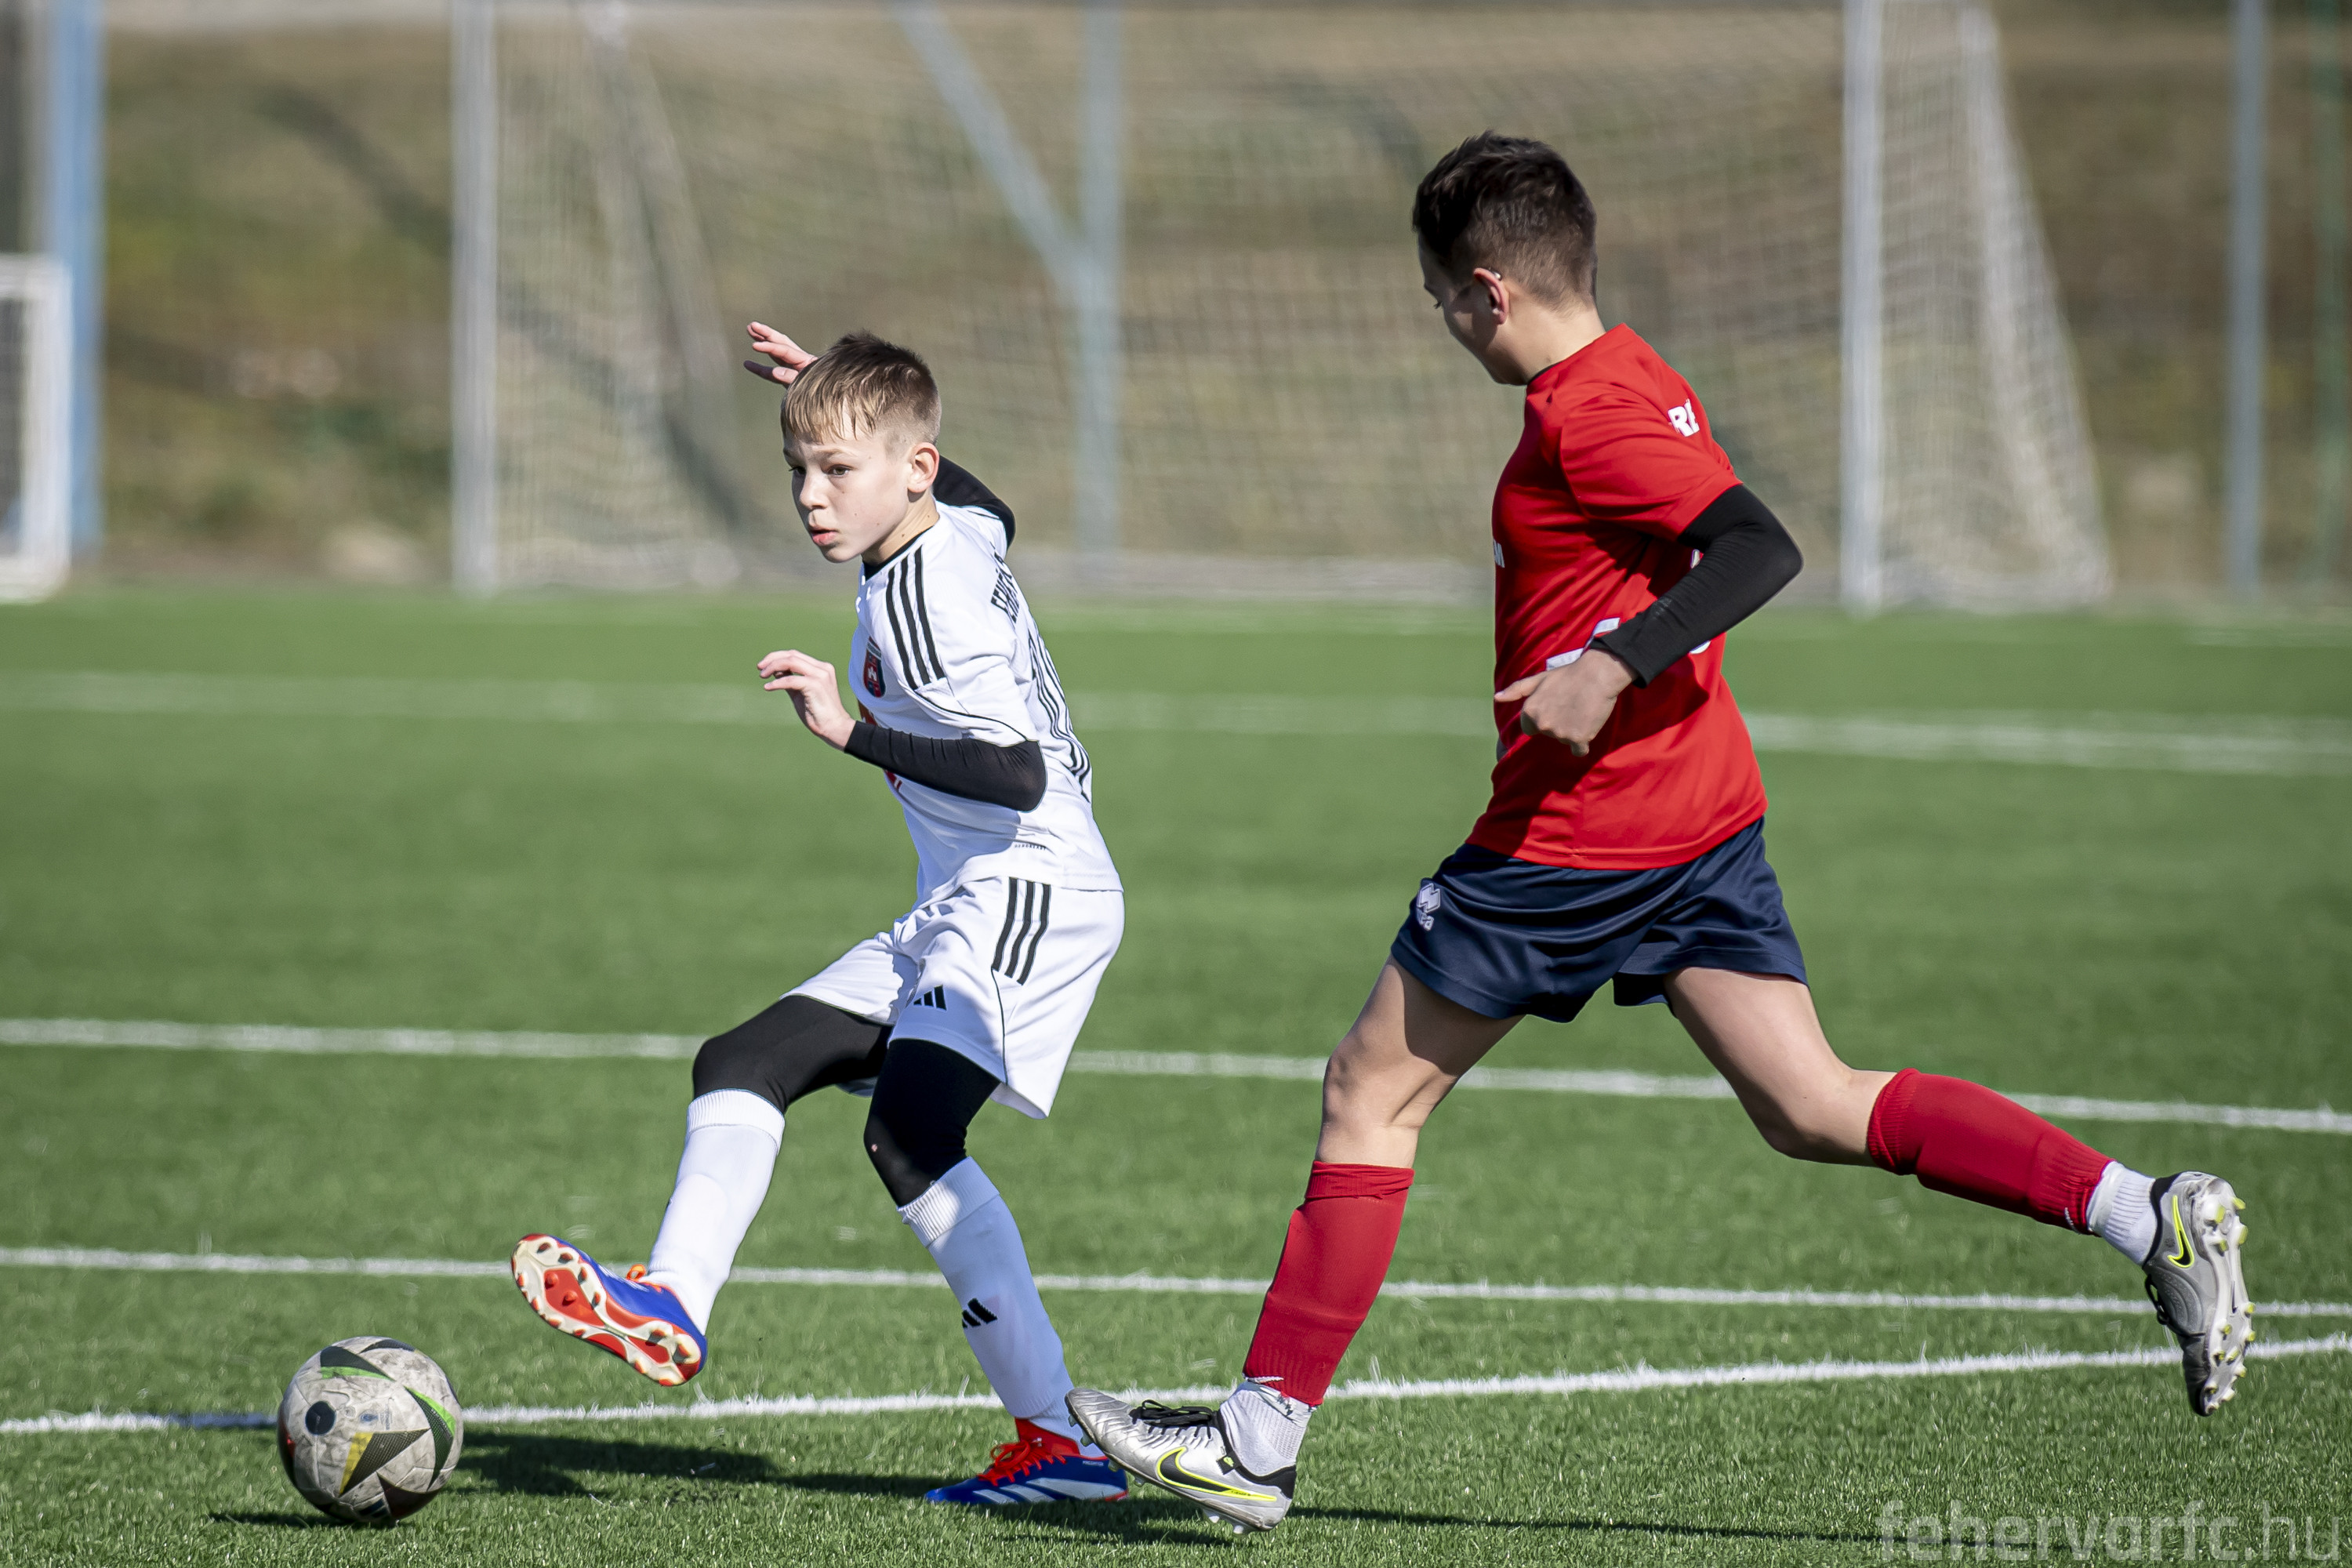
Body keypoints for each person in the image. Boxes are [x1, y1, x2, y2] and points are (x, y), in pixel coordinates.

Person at [1065, 132, 2254, 1535]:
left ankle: (1256, 1443)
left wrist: (1612, 662)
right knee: (1812, 1104)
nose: (1444, 323)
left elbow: (1759, 547)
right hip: (1700, 821)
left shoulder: (1587, 416)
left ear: (1492, 291)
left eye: (1442, 299)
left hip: (1578, 841)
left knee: (1369, 1093)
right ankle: (2147, 1214)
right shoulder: (1636, 374)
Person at [511, 328, 1130, 1508]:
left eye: (837, 470)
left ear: (913, 468)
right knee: (743, 1061)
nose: (810, 495)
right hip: (968, 895)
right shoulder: (951, 526)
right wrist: (833, 403)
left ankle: (1062, 1446)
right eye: (799, 466)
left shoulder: (931, 596)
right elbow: (988, 503)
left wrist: (852, 733)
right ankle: (670, 1302)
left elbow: (1015, 775)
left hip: (1032, 891)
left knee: (912, 1137)